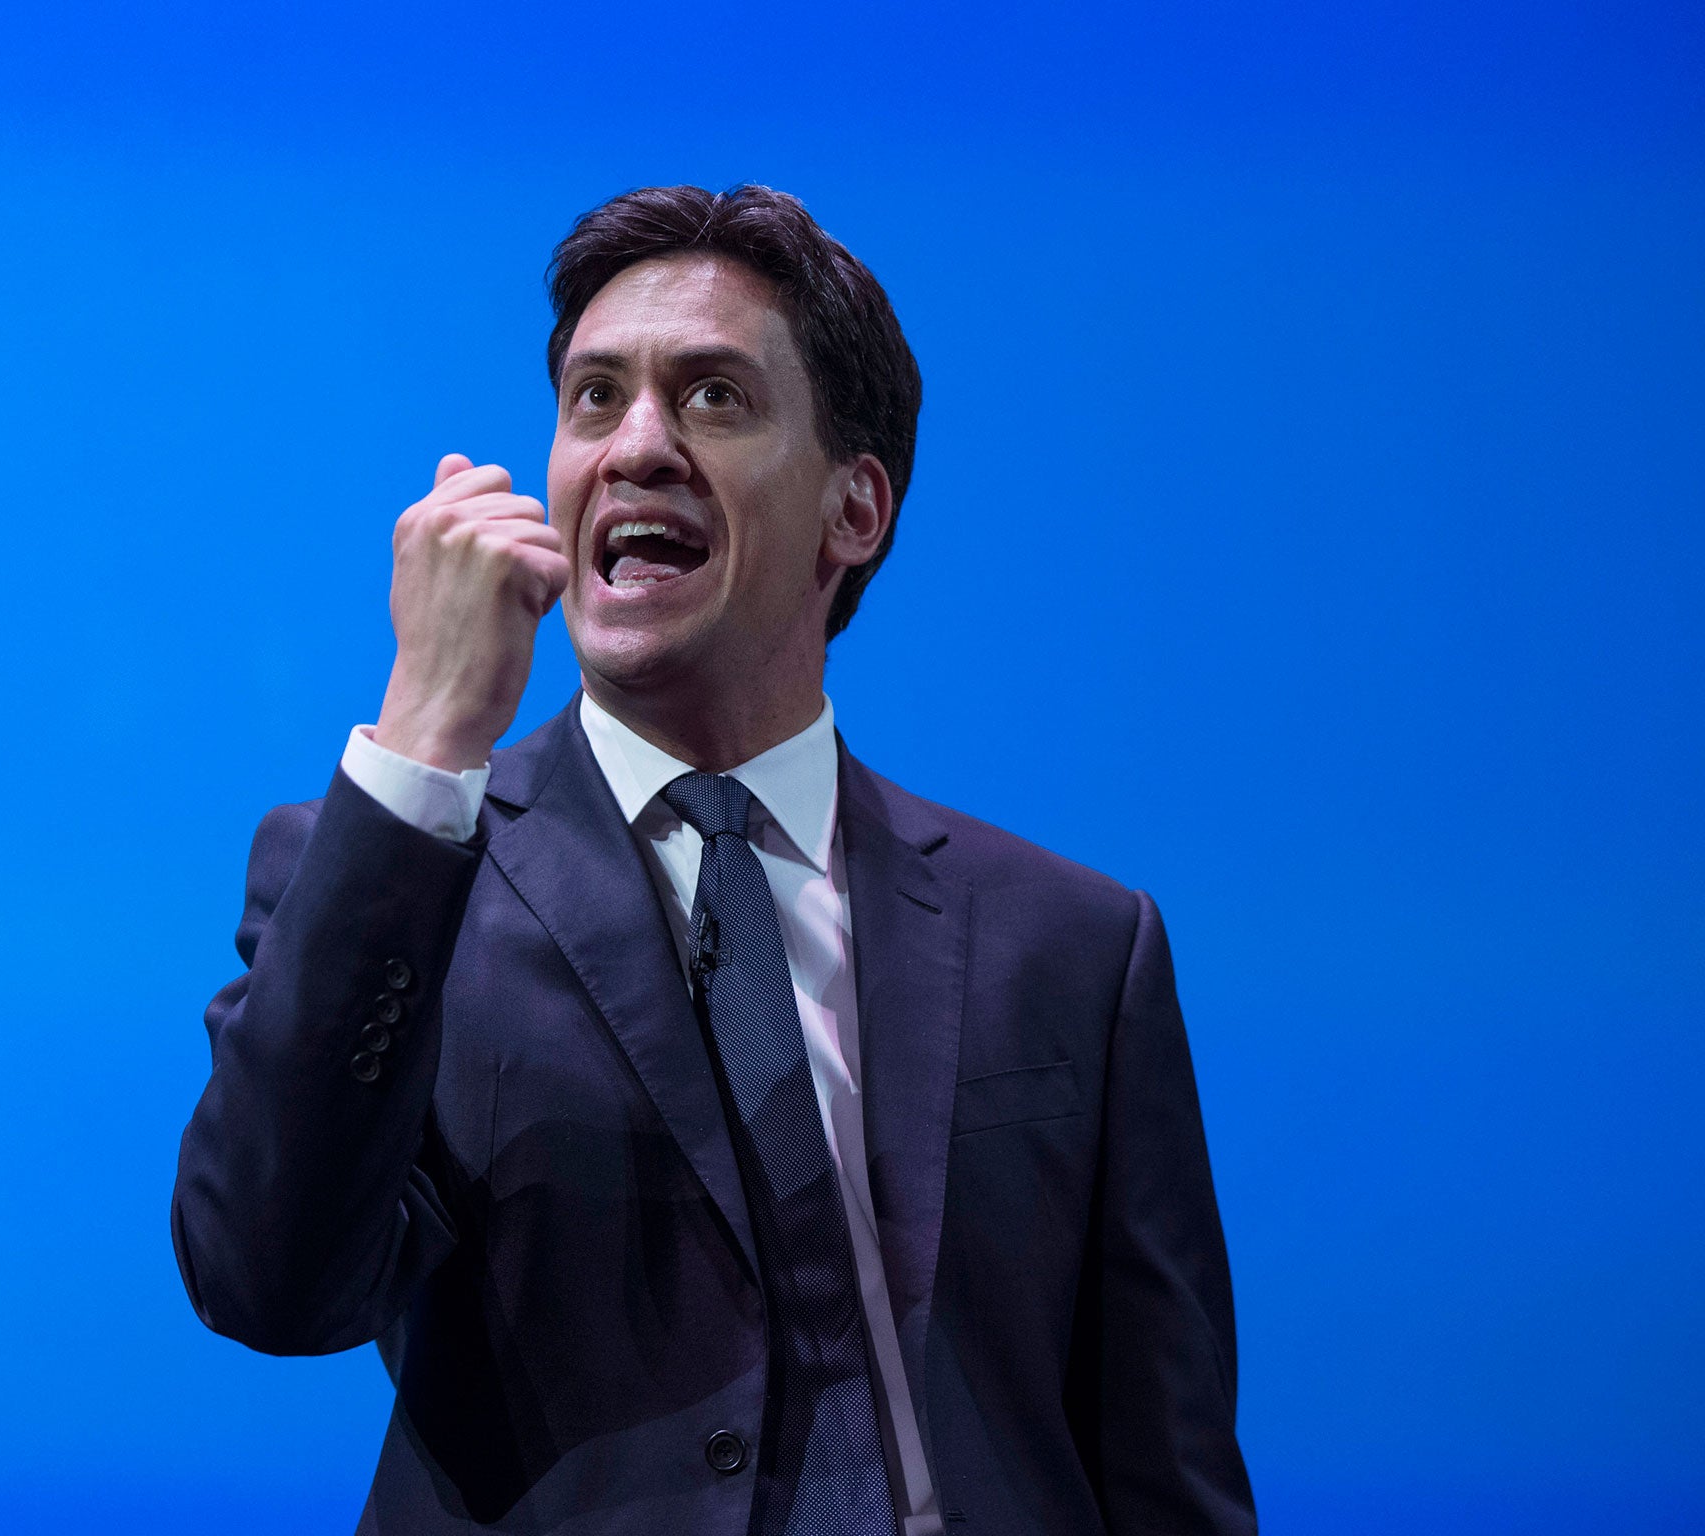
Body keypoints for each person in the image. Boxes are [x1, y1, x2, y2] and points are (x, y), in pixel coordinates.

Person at [172, 183, 1256, 1536]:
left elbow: (1163, 1462)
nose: (635, 447)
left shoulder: (1077, 946)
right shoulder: (394, 880)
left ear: (854, 510)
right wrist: (431, 732)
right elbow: (268, 1285)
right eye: (592, 399)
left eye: (714, 398)